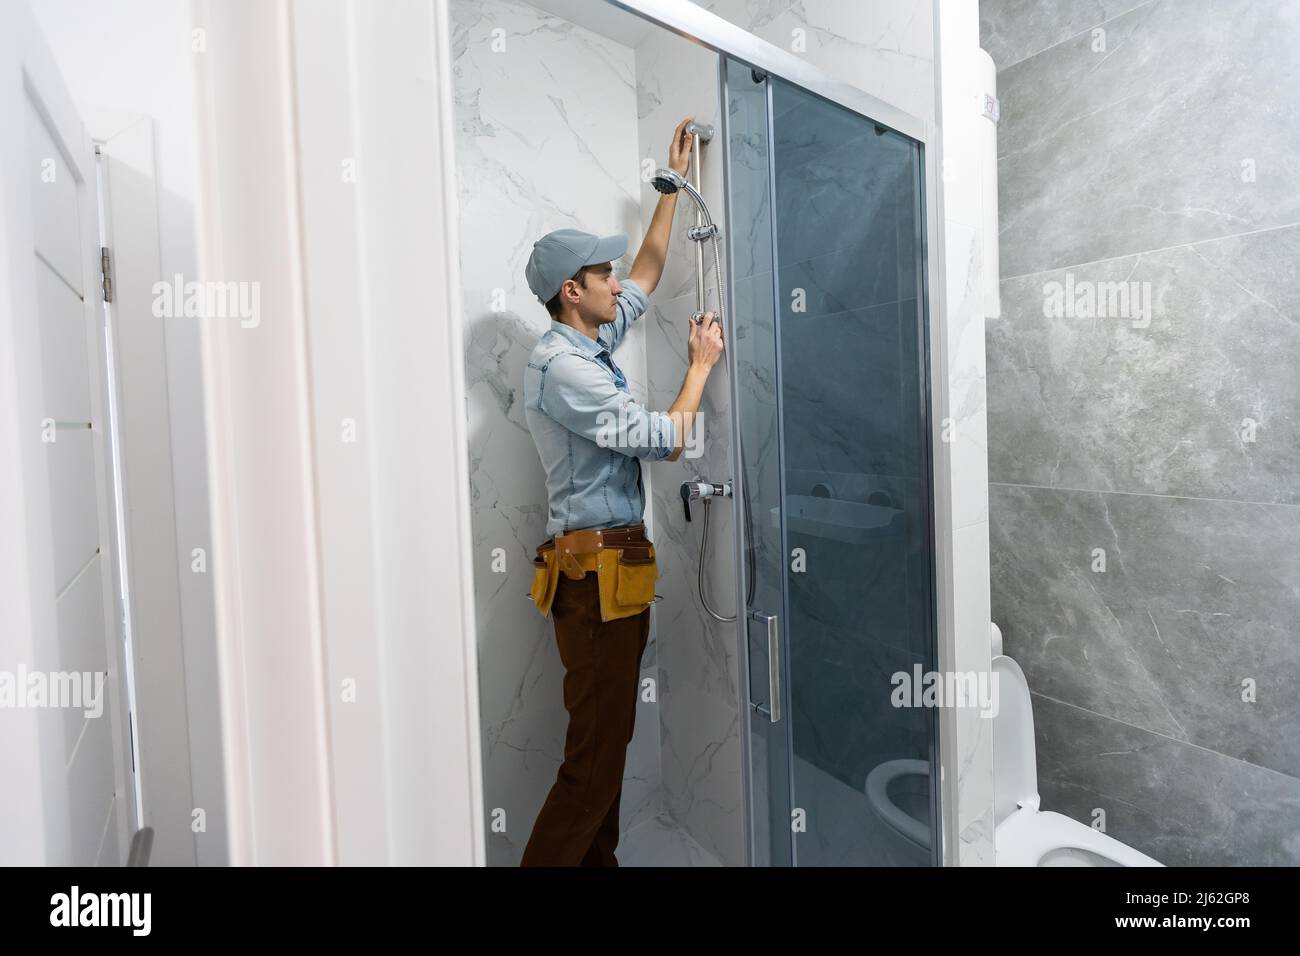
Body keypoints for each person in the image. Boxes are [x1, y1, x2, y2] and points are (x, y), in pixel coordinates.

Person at [518, 116, 726, 866]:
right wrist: (700, 365)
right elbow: (664, 437)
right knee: (591, 766)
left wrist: (667, 188)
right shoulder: (562, 369)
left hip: (612, 575)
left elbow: (645, 275)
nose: (616, 282)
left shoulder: (588, 337)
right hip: (593, 582)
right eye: (600, 275)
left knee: (606, 751)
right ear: (573, 292)